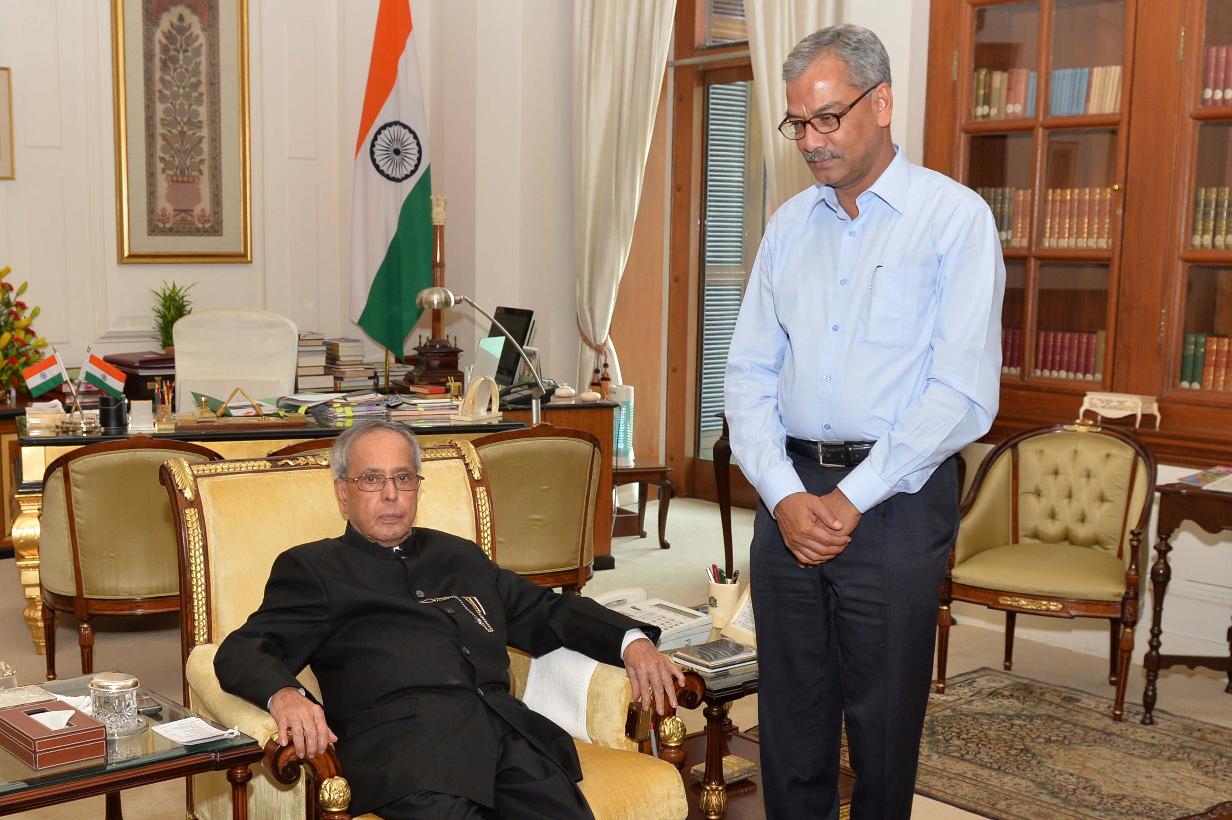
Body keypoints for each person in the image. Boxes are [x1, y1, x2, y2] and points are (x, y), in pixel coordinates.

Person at [723, 24, 1004, 820]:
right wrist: (783, 495)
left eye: (828, 118)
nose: (812, 141)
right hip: (788, 494)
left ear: (881, 103)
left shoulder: (953, 219)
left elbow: (961, 393)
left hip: (896, 501)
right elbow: (748, 374)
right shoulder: (788, 227)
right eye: (798, 123)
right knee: (789, 718)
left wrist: (851, 498)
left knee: (881, 728)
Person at [214, 420, 684, 819]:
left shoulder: (459, 555)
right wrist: (286, 696)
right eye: (372, 480)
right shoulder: (313, 569)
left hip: (508, 744)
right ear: (343, 493)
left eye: (403, 478)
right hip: (406, 759)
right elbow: (241, 650)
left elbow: (546, 610)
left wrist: (631, 642)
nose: (391, 495)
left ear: (418, 486)